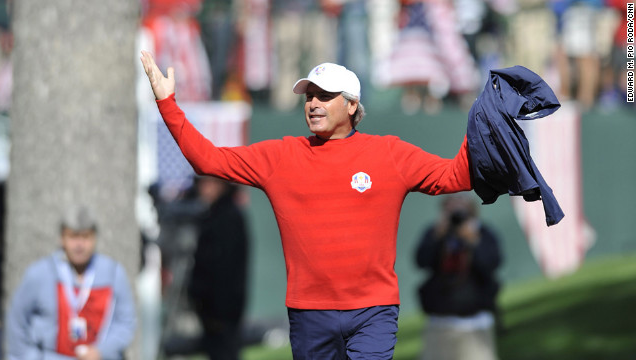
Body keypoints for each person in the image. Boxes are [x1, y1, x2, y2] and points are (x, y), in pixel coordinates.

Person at [140, 50, 472, 359]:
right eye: (309, 96)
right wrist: (167, 102)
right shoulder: (281, 156)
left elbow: (454, 176)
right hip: (309, 314)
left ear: (352, 105)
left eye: (324, 96)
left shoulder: (389, 153)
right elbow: (207, 160)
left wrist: (485, 128)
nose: (313, 103)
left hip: (373, 311)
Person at [6, 205, 137, 360]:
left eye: (86, 237)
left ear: (94, 238)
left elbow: (126, 322)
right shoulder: (40, 273)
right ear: (62, 238)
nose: (79, 245)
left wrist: (101, 351)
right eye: (73, 237)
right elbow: (17, 320)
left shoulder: (113, 273)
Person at [415, 193, 502, 360]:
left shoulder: (482, 233)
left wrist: (473, 242)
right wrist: (436, 237)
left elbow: (492, 264)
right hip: (440, 321)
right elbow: (421, 261)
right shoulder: (436, 234)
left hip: (475, 321)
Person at [187, 176, 249, 360]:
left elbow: (226, 269)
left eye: (209, 183)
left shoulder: (228, 217)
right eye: (201, 183)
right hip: (211, 311)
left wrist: (218, 309)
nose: (203, 188)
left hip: (222, 313)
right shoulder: (212, 215)